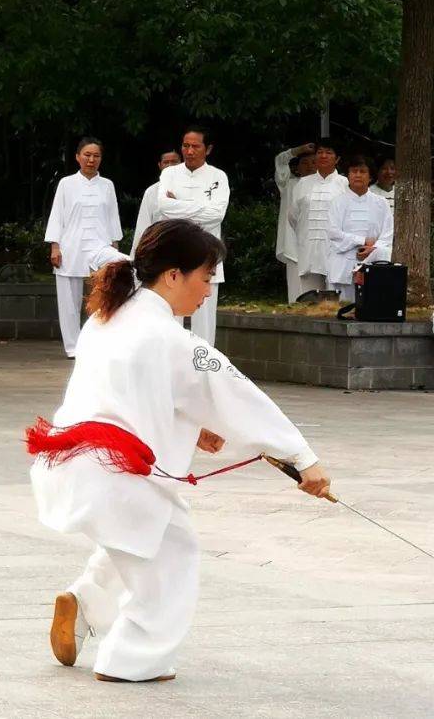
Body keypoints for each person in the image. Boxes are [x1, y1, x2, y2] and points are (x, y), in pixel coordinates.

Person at [30, 218, 331, 683]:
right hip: (116, 473)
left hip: (73, 459)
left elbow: (128, 394)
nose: (209, 290)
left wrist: (191, 429)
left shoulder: (106, 318)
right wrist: (302, 458)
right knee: (172, 556)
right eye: (206, 278)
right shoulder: (171, 338)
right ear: (174, 275)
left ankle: (86, 601)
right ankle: (130, 659)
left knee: (145, 536)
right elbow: (235, 394)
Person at [44, 137, 122, 358]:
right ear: (78, 157)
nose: (91, 160)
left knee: (104, 297)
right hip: (71, 247)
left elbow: (112, 217)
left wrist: (115, 247)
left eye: (96, 156)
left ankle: (98, 343)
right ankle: (73, 347)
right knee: (69, 301)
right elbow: (57, 215)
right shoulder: (66, 184)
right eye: (87, 155)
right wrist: (55, 247)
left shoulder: (107, 185)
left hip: (100, 246)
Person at [154, 126, 229, 344]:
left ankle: (205, 361)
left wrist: (179, 205)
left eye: (195, 146)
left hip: (207, 253)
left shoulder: (218, 176)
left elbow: (217, 214)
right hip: (175, 254)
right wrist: (200, 207)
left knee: (205, 321)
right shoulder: (169, 173)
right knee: (172, 316)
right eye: (185, 146)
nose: (189, 151)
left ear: (208, 149)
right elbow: (163, 207)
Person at [327, 155, 394, 303]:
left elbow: (388, 234)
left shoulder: (381, 203)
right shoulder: (337, 202)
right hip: (343, 264)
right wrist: (363, 240)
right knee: (343, 309)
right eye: (354, 171)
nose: (357, 175)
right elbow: (333, 233)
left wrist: (374, 249)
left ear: (370, 177)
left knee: (371, 307)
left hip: (373, 263)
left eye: (362, 171)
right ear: (348, 175)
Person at [290, 138, 347, 297]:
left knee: (335, 298)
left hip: (336, 251)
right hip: (308, 249)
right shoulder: (302, 183)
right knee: (309, 298)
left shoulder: (345, 184)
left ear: (337, 159)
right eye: (320, 152)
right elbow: (293, 217)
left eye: (328, 152)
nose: (323, 156)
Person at [273, 144, 317, 302]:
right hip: (293, 247)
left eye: (314, 162)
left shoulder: (325, 186)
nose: (310, 166)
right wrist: (298, 150)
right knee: (296, 294)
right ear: (297, 168)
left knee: (319, 294)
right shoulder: (288, 184)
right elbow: (280, 161)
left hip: (318, 246)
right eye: (305, 163)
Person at [131, 150, 181, 256]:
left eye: (174, 162)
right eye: (166, 162)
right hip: (158, 248)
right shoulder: (151, 191)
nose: (170, 166)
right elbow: (143, 225)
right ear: (160, 165)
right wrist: (137, 254)